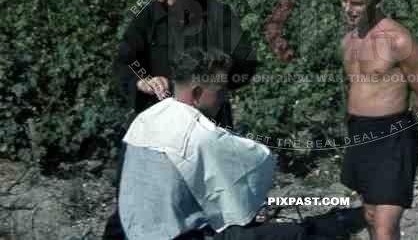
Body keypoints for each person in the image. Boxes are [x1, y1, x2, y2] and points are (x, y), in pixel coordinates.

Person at [118, 47, 366, 240]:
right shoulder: (199, 134)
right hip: (183, 236)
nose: (225, 97)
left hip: (137, 231)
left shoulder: (146, 119)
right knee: (295, 234)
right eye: (220, 90)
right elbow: (259, 159)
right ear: (195, 94)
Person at [103, 0, 258, 240]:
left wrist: (205, 80)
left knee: (216, 197)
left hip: (207, 123)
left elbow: (245, 64)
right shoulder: (146, 18)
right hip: (157, 124)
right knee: (142, 196)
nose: (168, 1)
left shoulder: (217, 14)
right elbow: (125, 62)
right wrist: (142, 82)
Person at [338, 0, 418, 240]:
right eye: (344, 2)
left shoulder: (399, 40)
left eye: (356, 3)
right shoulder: (349, 40)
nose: (348, 9)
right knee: (370, 217)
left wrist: (402, 133)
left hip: (393, 136)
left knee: (384, 226)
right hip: (358, 133)